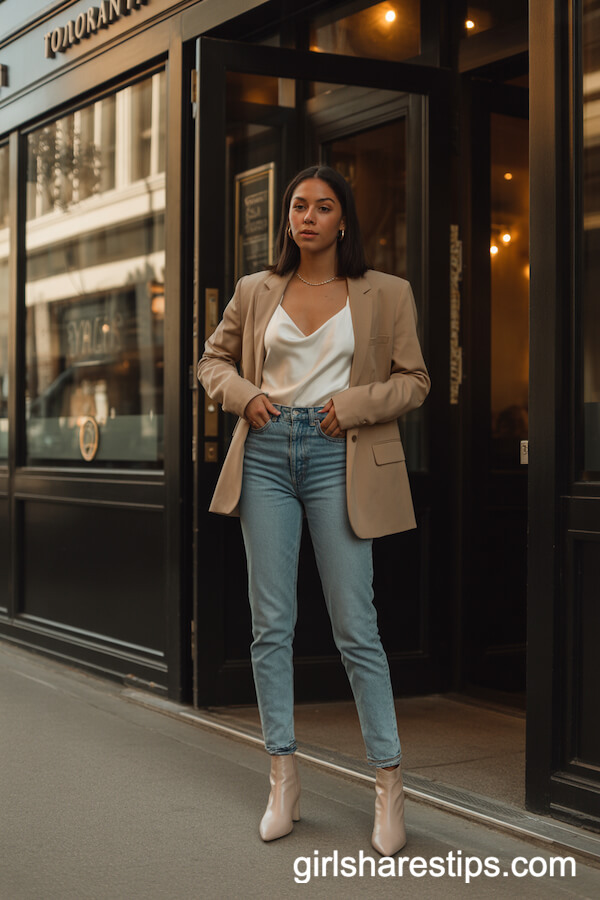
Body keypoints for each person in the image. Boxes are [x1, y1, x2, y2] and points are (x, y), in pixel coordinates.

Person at [197, 165, 430, 856]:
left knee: (356, 624)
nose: (307, 216)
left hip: (341, 456)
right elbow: (211, 361)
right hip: (267, 453)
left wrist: (353, 405)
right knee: (271, 625)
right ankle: (283, 777)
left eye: (323, 207)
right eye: (298, 205)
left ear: (343, 221)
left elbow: (415, 380)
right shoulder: (255, 290)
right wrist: (243, 395)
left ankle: (389, 786)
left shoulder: (387, 293)